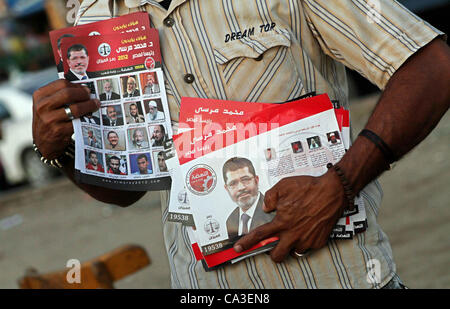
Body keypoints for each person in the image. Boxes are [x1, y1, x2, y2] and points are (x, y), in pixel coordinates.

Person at [32, 1, 450, 289]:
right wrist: (59, 149)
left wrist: (339, 184)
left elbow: (431, 67)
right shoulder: (92, 21)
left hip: (340, 276)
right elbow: (124, 190)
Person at [223, 157, 275, 240]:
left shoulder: (274, 210)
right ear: (227, 189)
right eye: (233, 183)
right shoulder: (230, 221)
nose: (241, 187)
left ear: (256, 180)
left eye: (245, 179)